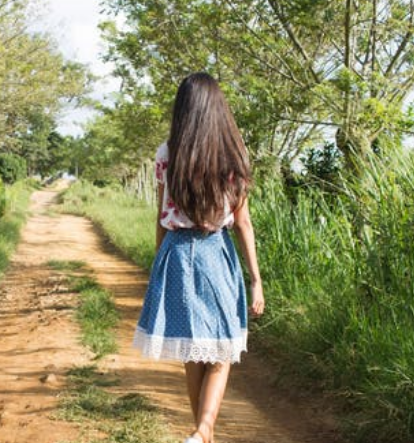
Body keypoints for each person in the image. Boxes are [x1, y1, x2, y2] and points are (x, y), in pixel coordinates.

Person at [132, 72, 265, 443]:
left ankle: (200, 434)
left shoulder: (167, 152)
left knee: (193, 350)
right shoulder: (233, 155)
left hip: (176, 254)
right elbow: (244, 223)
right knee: (221, 350)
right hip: (215, 253)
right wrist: (256, 279)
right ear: (218, 108)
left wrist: (159, 266)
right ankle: (204, 430)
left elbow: (161, 215)